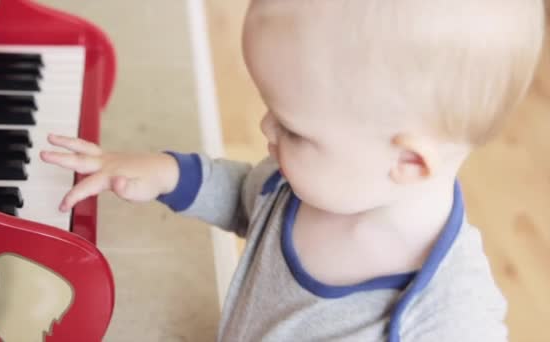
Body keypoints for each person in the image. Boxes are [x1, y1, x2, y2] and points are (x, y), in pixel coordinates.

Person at [41, 0, 544, 340]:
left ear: (409, 162)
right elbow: (247, 198)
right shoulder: (301, 186)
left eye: (294, 128)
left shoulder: (447, 316)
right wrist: (167, 174)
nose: (265, 127)